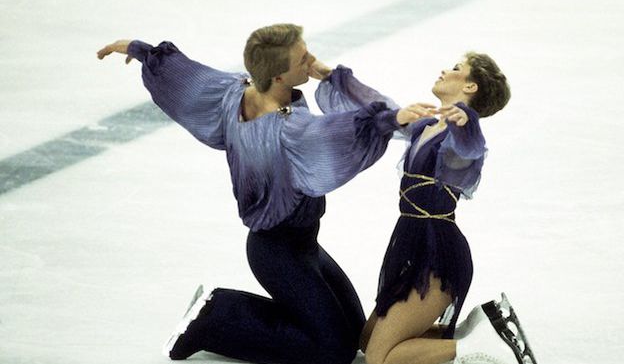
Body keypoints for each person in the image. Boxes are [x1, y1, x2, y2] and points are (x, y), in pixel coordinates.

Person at [96, 24, 435, 364]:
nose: (311, 59)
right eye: (303, 59)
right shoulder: (288, 132)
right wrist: (389, 120)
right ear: (278, 77)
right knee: (332, 352)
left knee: (353, 333)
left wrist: (141, 51)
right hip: (277, 251)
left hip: (304, 246)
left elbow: (188, 76)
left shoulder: (235, 92)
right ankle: (215, 316)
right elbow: (341, 132)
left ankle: (237, 315)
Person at [317, 51, 532, 364]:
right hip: (409, 245)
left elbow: (468, 150)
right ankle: (465, 332)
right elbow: (382, 108)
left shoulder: (460, 138)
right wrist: (332, 77)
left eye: (457, 68)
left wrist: (465, 124)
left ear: (470, 87)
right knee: (366, 340)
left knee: (380, 359)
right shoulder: (426, 126)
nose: (446, 70)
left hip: (437, 255)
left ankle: (483, 346)